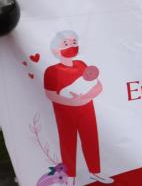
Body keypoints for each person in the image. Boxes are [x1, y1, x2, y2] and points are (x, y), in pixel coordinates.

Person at [43, 31, 113, 184]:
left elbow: (97, 85)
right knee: (68, 141)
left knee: (91, 139)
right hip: (65, 113)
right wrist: (72, 102)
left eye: (74, 42)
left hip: (86, 109)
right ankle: (70, 175)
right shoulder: (51, 71)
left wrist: (84, 98)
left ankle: (95, 171)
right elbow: (51, 95)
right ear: (55, 48)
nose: (71, 46)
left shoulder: (82, 65)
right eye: (66, 44)